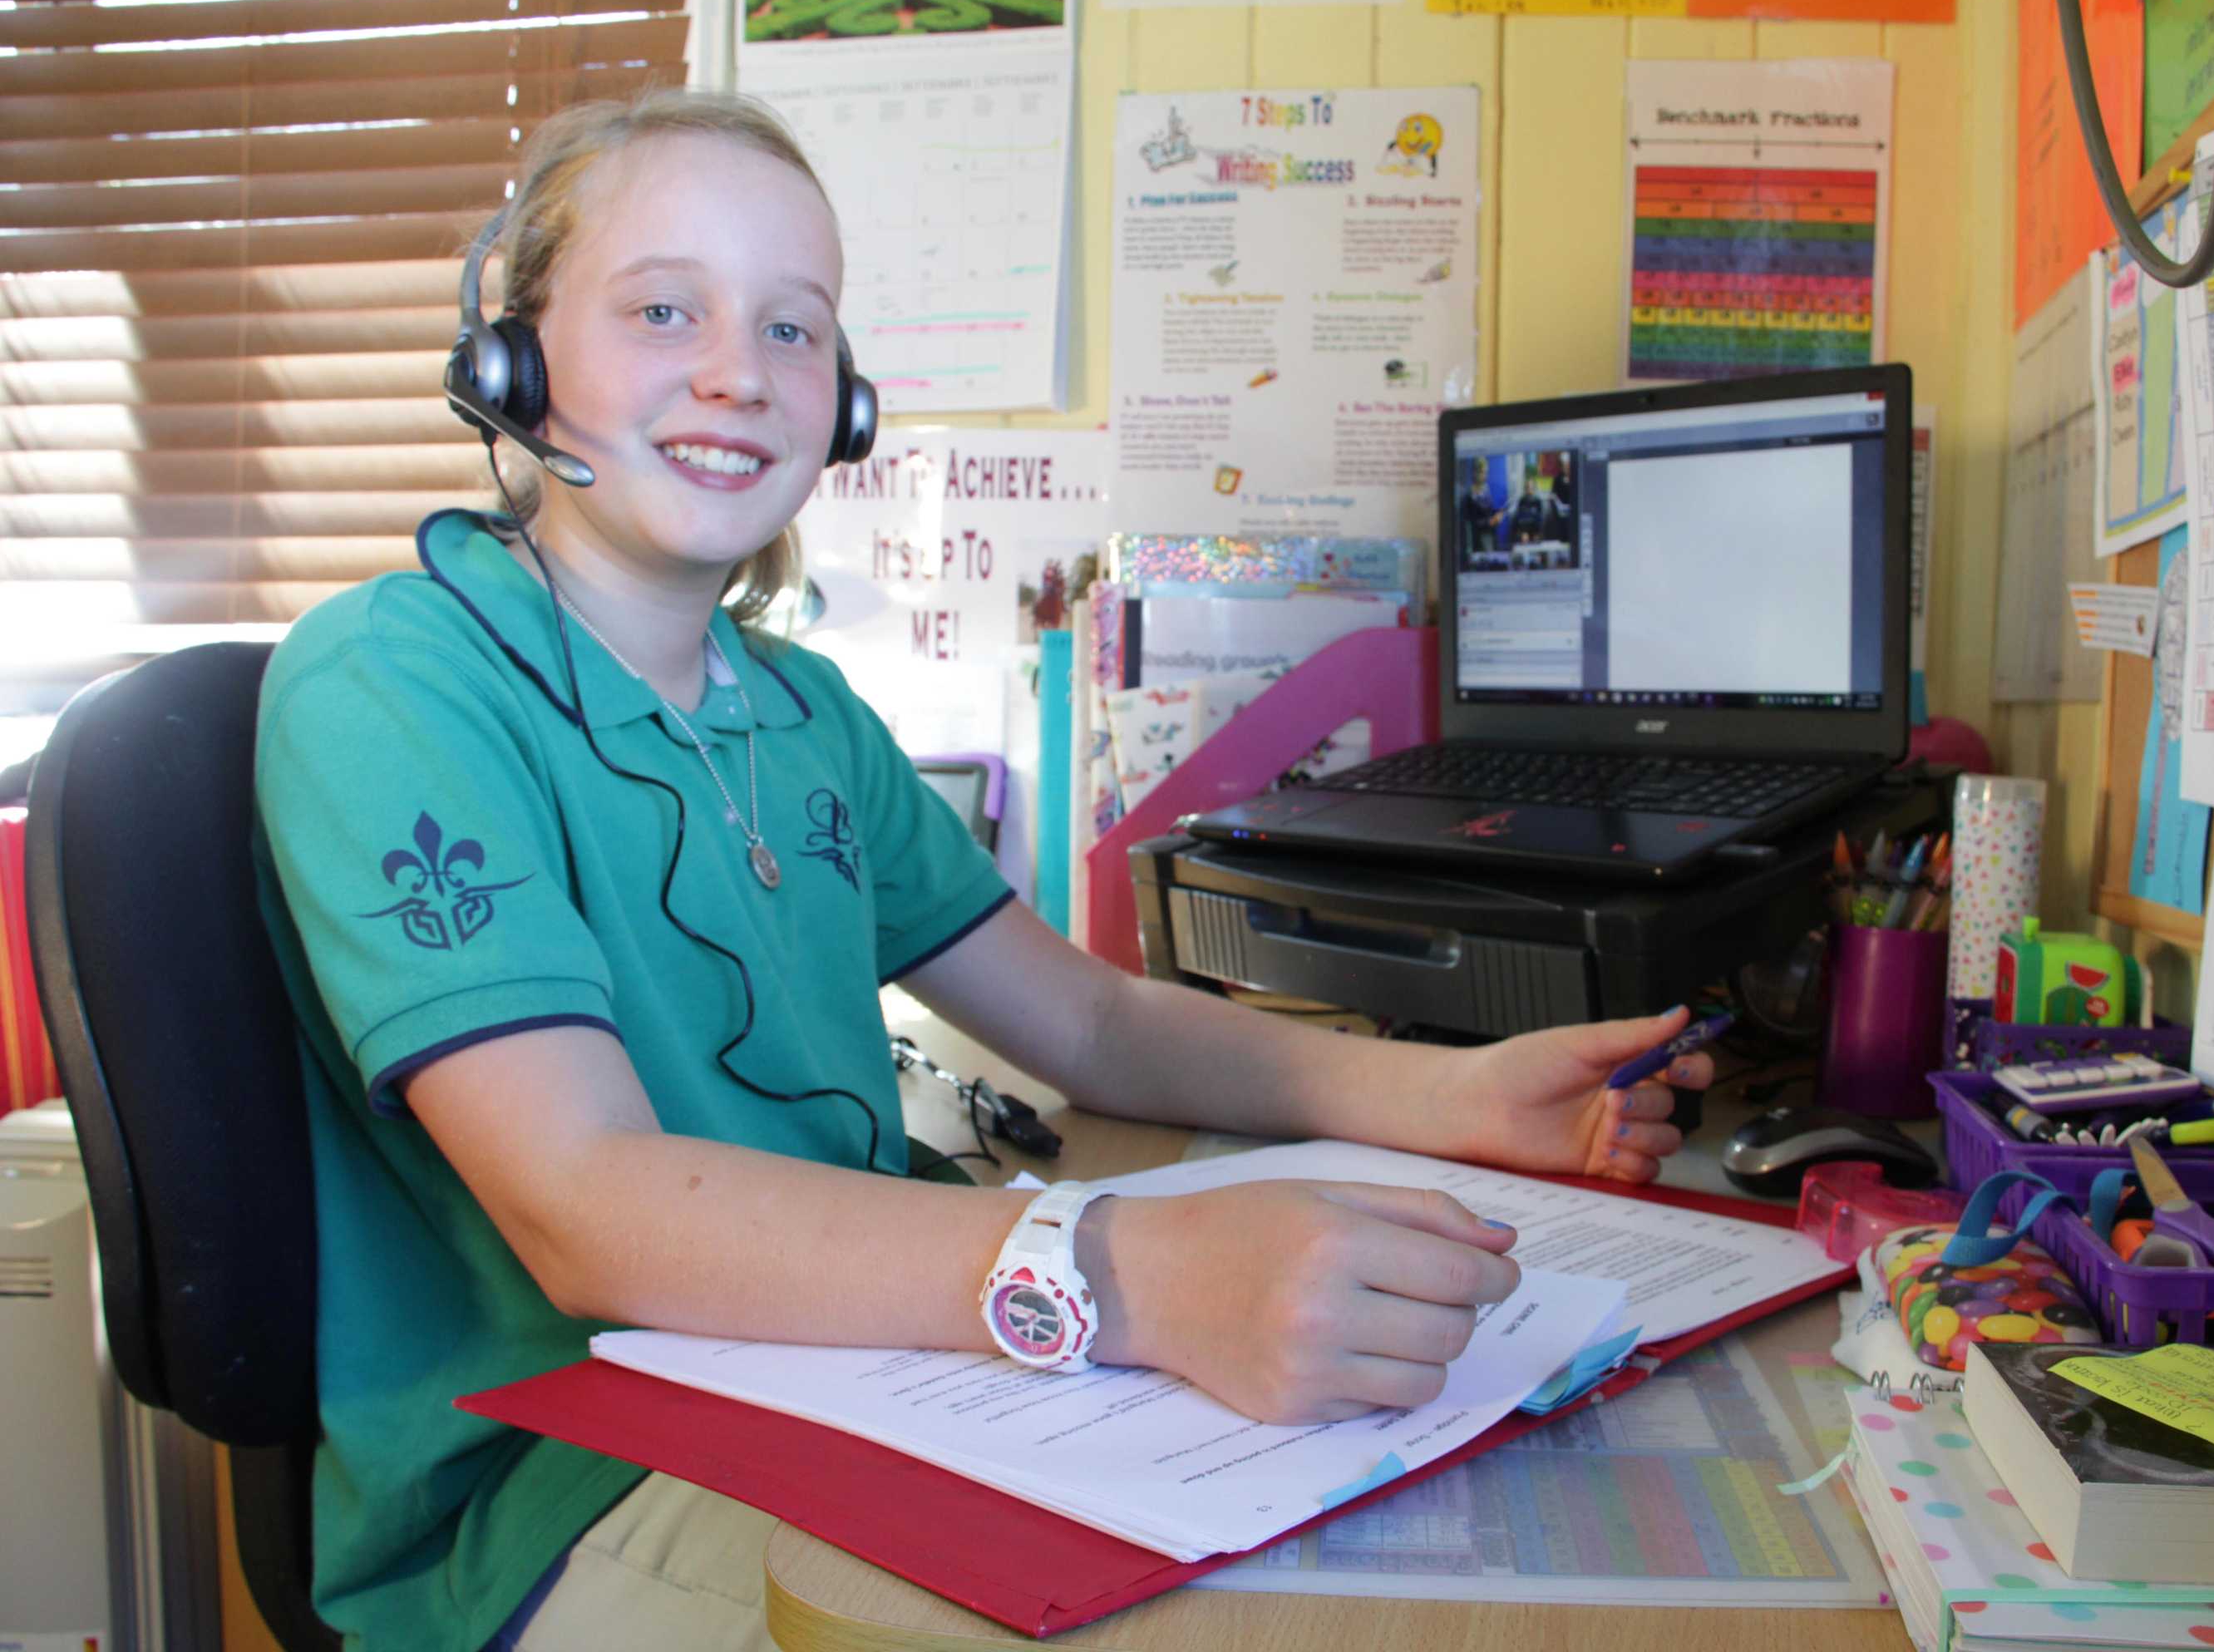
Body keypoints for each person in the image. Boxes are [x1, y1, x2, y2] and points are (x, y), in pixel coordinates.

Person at [252, 91, 1710, 1652]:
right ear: (515, 361)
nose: (741, 372)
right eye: (664, 308)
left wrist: (1458, 1096)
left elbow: (1090, 1028)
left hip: (852, 1364)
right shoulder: (393, 683)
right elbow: (587, 1208)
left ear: (849, 402)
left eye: (796, 329)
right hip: (575, 1478)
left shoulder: (802, 712)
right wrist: (1127, 1271)